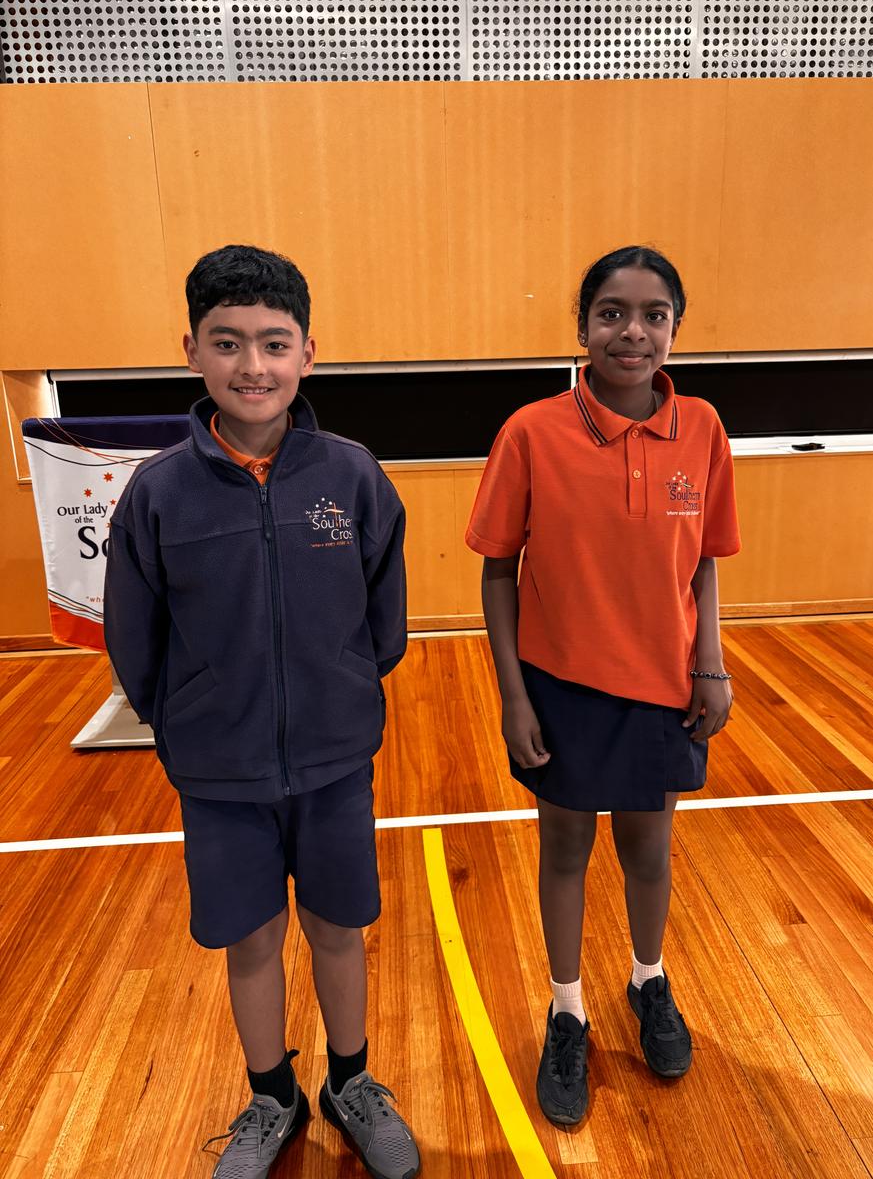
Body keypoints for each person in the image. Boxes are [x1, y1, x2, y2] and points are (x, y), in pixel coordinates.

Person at [104, 244, 420, 1179]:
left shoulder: (352, 477)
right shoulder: (159, 493)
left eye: (274, 344)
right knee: (250, 937)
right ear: (191, 351)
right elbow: (136, 639)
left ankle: (352, 1083)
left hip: (333, 760)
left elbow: (385, 618)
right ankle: (272, 1095)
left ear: (308, 353)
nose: (253, 365)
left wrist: (344, 689)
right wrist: (193, 717)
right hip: (219, 771)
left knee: (338, 926)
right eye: (228, 342)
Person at [465, 245, 741, 1126]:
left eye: (654, 315)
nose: (633, 332)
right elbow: (498, 570)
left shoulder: (702, 426)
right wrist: (514, 695)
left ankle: (648, 982)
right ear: (581, 325)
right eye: (612, 313)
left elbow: (704, 560)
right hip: (562, 684)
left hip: (666, 683)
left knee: (650, 851)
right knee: (566, 851)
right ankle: (567, 1010)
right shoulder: (531, 431)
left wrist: (710, 663)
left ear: (675, 328)